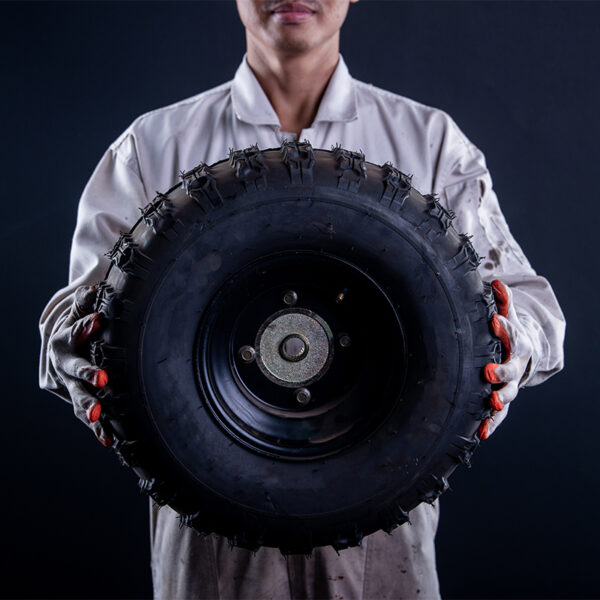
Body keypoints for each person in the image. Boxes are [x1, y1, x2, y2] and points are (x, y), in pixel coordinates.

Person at [39, 0, 566, 598]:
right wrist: (77, 348)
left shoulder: (430, 142)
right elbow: (75, 311)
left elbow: (532, 308)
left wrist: (508, 345)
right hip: (210, 532)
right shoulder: (153, 146)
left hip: (383, 533)